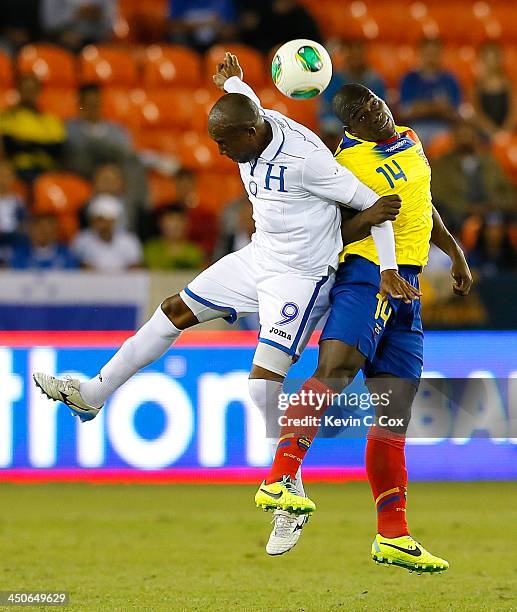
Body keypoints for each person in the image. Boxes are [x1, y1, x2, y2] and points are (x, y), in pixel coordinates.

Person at [33, 53, 416, 538]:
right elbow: (246, 99)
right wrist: (232, 79)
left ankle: (288, 493)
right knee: (173, 310)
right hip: (259, 256)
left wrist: (386, 268)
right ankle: (93, 394)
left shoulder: (309, 160)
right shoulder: (250, 120)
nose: (219, 153)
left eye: (224, 143)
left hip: (302, 276)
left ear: (251, 134)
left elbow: (376, 207)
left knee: (260, 388)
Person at [257, 84, 472, 568]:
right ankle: (280, 475)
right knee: (335, 370)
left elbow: (421, 202)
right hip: (367, 275)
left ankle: (392, 534)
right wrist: (379, 267)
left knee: (394, 411)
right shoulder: (345, 166)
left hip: (409, 286)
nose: (375, 113)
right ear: (350, 127)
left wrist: (454, 252)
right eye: (363, 113)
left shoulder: (410, 137)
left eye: (375, 103)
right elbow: (332, 232)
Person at [65, 84, 147, 229]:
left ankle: (140, 216)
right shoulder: (69, 129)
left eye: (96, 104)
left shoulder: (117, 130)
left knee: (135, 165)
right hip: (81, 174)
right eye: (88, 104)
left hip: (114, 176)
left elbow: (127, 155)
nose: (92, 108)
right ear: (80, 105)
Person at [431, 121, 515, 230]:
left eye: (469, 135)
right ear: (454, 139)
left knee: (496, 221)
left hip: (491, 211)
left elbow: (507, 190)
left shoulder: (490, 163)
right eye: (461, 136)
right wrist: (468, 208)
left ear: (476, 138)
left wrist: (494, 204)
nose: (465, 140)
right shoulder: (442, 164)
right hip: (457, 215)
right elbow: (438, 196)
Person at [0, 74, 66, 182]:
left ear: (39, 92)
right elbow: (9, 146)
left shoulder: (51, 120)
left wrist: (24, 144)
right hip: (17, 170)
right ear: (19, 91)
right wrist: (40, 145)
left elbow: (56, 149)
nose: (29, 94)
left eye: (33, 90)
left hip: (46, 171)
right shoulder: (6, 117)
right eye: (25, 90)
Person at [399, 38, 461, 146]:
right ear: (420, 54)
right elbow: (405, 112)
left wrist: (423, 107)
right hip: (416, 127)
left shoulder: (450, 80)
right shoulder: (409, 79)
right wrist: (436, 107)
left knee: (444, 141)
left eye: (435, 54)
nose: (431, 58)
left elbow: (455, 113)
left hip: (443, 127)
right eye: (428, 53)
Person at [320, 40, 386, 136]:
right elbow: (327, 107)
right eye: (352, 55)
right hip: (339, 122)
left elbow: (381, 106)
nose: (355, 59)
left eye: (358, 55)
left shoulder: (374, 79)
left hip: (367, 122)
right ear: (346, 56)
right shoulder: (335, 79)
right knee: (330, 126)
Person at [72, 195, 142, 271]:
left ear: (116, 221)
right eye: (100, 220)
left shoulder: (129, 241)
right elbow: (76, 267)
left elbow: (135, 269)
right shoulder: (81, 240)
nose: (104, 225)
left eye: (108, 220)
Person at [473, 42, 517, 140]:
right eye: (488, 57)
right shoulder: (477, 86)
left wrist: (506, 131)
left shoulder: (509, 84)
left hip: (508, 132)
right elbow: (477, 113)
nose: (491, 62)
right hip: (485, 133)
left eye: (494, 57)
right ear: (482, 59)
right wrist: (491, 131)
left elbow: (514, 111)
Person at [144, 205, 205, 271]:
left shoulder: (195, 251)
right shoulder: (151, 249)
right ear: (160, 223)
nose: (175, 225)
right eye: (171, 219)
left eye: (179, 220)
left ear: (187, 224)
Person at [40, 0, 116, 51]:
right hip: (61, 42)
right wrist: (76, 14)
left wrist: (98, 15)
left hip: (95, 42)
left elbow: (111, 23)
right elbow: (49, 23)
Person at [10, 213, 79, 269]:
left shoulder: (67, 255)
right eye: (39, 229)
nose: (42, 234)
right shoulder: (19, 255)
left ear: (55, 233)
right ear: (31, 231)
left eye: (47, 230)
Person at [168, 0, 236, 51]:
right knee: (178, 38)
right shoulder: (179, 1)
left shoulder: (222, 2)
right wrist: (198, 25)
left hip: (215, 42)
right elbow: (172, 26)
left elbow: (230, 28)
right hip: (188, 42)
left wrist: (220, 27)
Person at [0, 159, 26, 265]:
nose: (3, 180)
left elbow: (22, 226)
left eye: (7, 176)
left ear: (13, 178)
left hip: (13, 244)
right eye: (1, 175)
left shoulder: (18, 201)